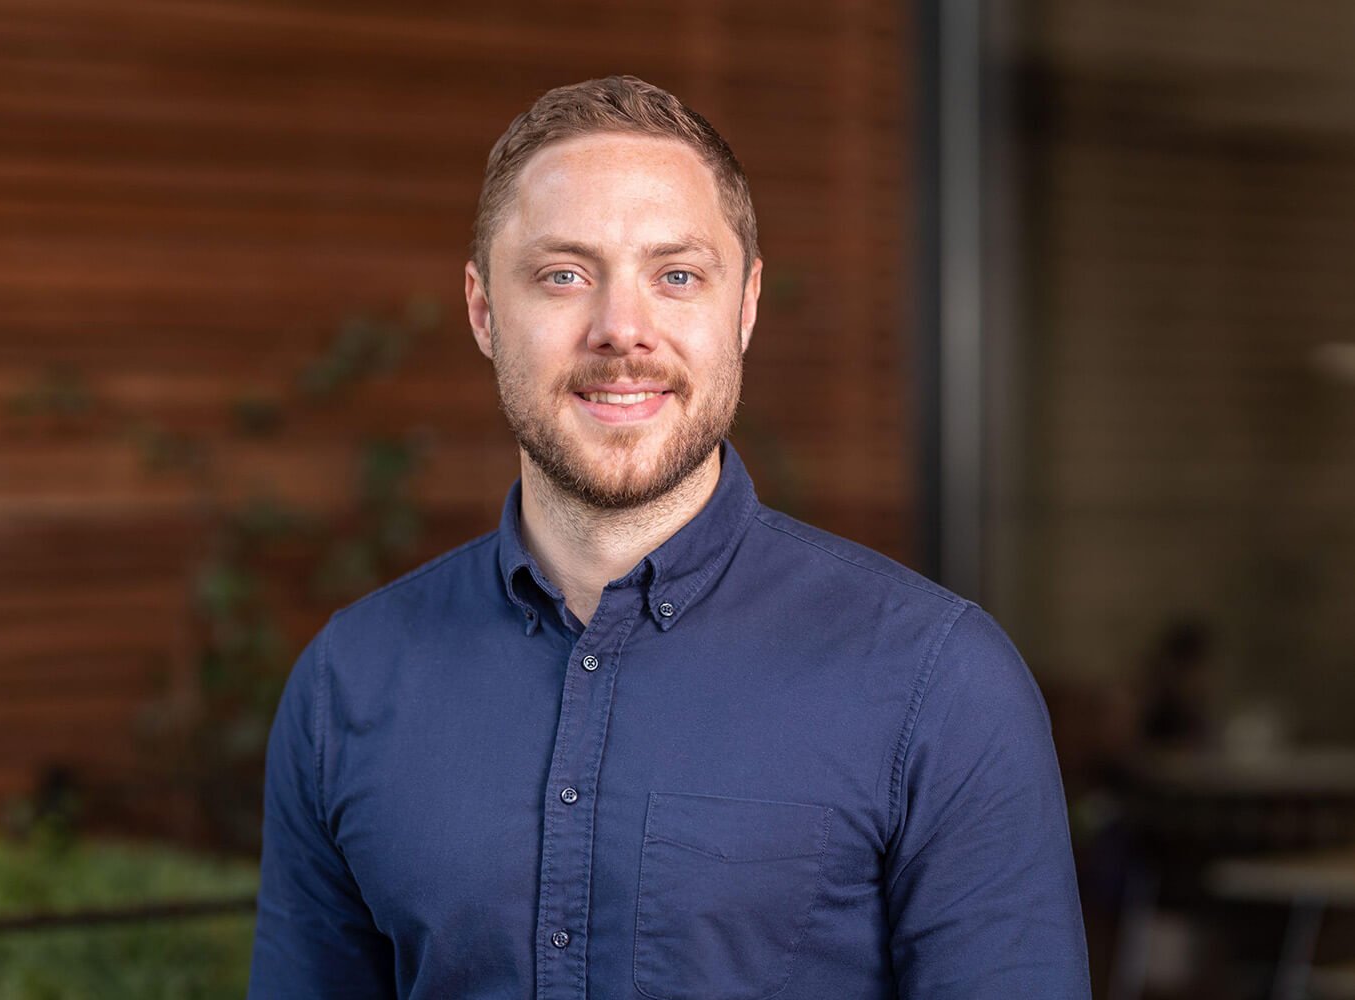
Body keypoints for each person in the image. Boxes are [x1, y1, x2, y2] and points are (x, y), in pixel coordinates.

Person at [249, 75, 1090, 999]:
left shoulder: (938, 684)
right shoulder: (348, 683)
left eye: (677, 276)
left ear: (747, 306)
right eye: (563, 275)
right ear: (484, 310)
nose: (621, 330)